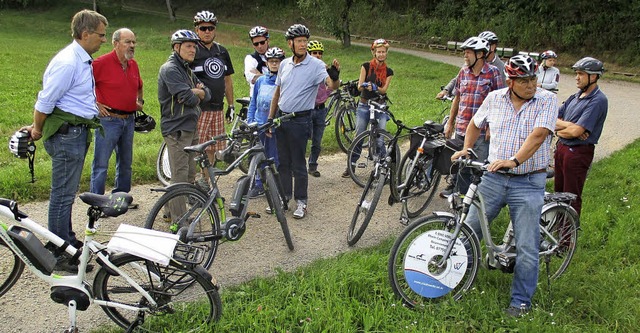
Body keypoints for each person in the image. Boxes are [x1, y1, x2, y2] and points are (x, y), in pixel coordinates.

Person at [451, 55, 558, 317]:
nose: (531, 84)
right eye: (524, 80)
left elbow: (539, 134)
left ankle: (520, 301)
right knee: (469, 229)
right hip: (494, 178)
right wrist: (466, 148)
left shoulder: (547, 100)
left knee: (526, 245)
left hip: (529, 180)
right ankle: (452, 277)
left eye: (533, 78)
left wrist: (514, 160)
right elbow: (476, 124)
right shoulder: (495, 98)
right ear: (510, 81)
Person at [21, 9, 108, 273]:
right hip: (67, 136)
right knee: (62, 195)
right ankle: (58, 252)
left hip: (76, 133)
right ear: (85, 34)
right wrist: (37, 129)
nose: (104, 40)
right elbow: (45, 101)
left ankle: (67, 241)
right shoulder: (69, 62)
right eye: (101, 35)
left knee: (66, 194)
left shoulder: (80, 60)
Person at [267, 24, 340, 219]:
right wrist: (270, 119)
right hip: (281, 118)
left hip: (300, 120)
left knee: (298, 163)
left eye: (305, 41)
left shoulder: (316, 65)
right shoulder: (284, 64)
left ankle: (301, 202)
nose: (303, 44)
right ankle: (284, 198)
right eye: (299, 41)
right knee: (283, 162)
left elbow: (331, 86)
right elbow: (277, 93)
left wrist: (335, 76)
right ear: (290, 43)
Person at [440, 36, 505, 197]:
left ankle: (477, 204)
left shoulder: (493, 73)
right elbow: (457, 98)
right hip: (462, 129)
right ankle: (461, 203)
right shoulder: (463, 72)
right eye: (465, 53)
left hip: (481, 134)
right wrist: (450, 123)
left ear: (480, 54)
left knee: (477, 171)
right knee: (461, 169)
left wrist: (491, 126)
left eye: (468, 53)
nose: (465, 56)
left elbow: (500, 103)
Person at [90, 28, 143, 208]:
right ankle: (96, 203)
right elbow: (83, 84)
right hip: (108, 120)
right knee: (101, 163)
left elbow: (139, 85)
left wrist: (139, 100)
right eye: (128, 42)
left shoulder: (133, 64)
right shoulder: (100, 63)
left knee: (126, 162)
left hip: (128, 119)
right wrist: (95, 104)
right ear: (116, 44)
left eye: (133, 42)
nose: (132, 45)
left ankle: (121, 199)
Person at [158, 29, 211, 205]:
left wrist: (197, 91)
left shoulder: (186, 70)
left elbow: (208, 94)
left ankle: (168, 212)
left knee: (189, 174)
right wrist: (196, 92)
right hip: (177, 129)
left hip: (189, 126)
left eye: (194, 47)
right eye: (188, 46)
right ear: (176, 47)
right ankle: (178, 222)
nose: (193, 50)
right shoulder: (170, 69)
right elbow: (188, 98)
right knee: (180, 177)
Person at [554, 57, 608, 216]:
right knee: (558, 195)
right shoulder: (575, 96)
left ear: (594, 76)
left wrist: (565, 127)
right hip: (562, 147)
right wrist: (566, 128)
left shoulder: (598, 100)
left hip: (577, 153)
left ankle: (568, 239)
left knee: (571, 197)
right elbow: (552, 119)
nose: (577, 77)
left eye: (581, 74)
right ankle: (557, 233)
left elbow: (576, 132)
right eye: (576, 73)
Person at [192, 10, 235, 190]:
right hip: (200, 108)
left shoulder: (221, 51)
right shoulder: (192, 49)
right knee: (196, 148)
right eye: (203, 28)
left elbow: (227, 80)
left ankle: (206, 184)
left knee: (212, 148)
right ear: (196, 29)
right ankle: (191, 183)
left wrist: (231, 105)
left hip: (217, 108)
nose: (207, 31)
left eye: (211, 28)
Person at [342, 38, 393, 178]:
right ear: (374, 53)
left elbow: (384, 90)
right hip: (364, 105)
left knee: (380, 138)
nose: (381, 54)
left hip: (379, 105)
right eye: (379, 52)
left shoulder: (389, 71)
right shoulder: (365, 66)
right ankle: (351, 165)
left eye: (383, 52)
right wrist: (365, 85)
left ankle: (383, 167)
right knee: (359, 135)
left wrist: (376, 87)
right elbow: (359, 85)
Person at [246, 47, 285, 198]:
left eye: (277, 61)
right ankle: (258, 184)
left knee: (274, 157)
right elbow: (253, 103)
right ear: (267, 63)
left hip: (274, 127)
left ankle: (275, 185)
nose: (274, 64)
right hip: (259, 124)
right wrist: (251, 121)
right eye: (271, 61)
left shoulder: (283, 81)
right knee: (258, 156)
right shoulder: (261, 81)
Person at [436, 31, 506, 99]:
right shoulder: (472, 63)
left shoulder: (500, 68)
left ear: (493, 47)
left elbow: (502, 93)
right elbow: (458, 79)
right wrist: (446, 90)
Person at [307, 40, 340, 177]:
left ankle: (312, 165)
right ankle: (296, 166)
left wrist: (335, 75)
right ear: (309, 54)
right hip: (307, 109)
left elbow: (334, 86)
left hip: (320, 109)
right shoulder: (305, 69)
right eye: (314, 53)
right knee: (302, 139)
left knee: (317, 141)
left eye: (320, 53)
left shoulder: (324, 70)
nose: (318, 55)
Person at [244, 26, 270, 96]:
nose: (259, 46)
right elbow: (251, 78)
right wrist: (273, 78)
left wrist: (260, 76)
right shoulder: (250, 58)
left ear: (268, 41)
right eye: (256, 44)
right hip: (256, 97)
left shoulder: (277, 57)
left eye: (262, 42)